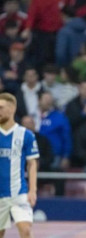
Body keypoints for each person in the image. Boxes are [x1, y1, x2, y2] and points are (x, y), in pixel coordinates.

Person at [0, 93, 39, 238]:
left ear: (12, 109)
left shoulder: (25, 135)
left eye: (1, 108)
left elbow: (32, 164)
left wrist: (32, 190)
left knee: (26, 230)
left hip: (19, 193)